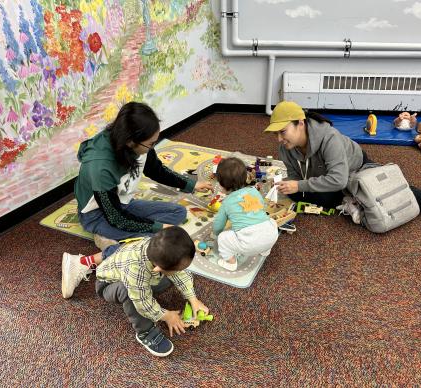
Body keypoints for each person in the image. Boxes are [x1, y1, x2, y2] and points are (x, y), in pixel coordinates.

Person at [264, 101, 421, 231]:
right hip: (330, 178)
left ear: (300, 123)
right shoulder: (286, 147)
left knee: (391, 188)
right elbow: (294, 177)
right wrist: (293, 186)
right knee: (299, 195)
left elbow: (338, 178)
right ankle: (353, 198)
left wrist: (300, 185)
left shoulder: (328, 138)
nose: (279, 139)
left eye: (282, 132)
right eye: (275, 134)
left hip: (357, 167)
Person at [74, 102, 213, 250]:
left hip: (123, 203)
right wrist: (157, 227)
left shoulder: (136, 142)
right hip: (96, 215)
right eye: (151, 143)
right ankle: (105, 234)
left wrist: (191, 184)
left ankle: (120, 233)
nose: (152, 147)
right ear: (130, 142)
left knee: (178, 212)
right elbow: (116, 217)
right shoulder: (100, 168)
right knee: (154, 241)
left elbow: (156, 170)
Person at [62, 226, 209, 357]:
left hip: (142, 276)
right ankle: (145, 332)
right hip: (108, 285)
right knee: (132, 294)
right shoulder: (135, 270)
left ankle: (154, 286)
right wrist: (166, 316)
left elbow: (180, 273)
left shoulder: (159, 248)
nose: (181, 271)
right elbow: (142, 303)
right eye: (177, 269)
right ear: (158, 268)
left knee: (171, 276)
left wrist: (193, 299)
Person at [212, 157, 279, 271]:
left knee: (223, 238)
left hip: (248, 244)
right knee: (271, 221)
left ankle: (231, 263)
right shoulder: (254, 191)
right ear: (246, 177)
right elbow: (262, 206)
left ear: (222, 185)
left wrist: (216, 233)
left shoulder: (227, 202)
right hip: (272, 237)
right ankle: (265, 251)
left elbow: (219, 224)